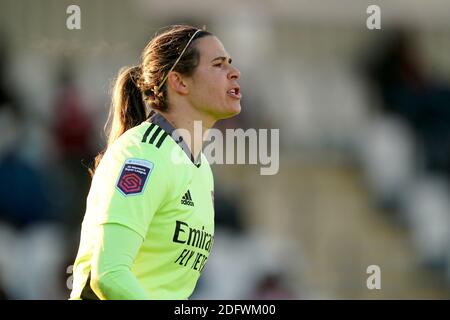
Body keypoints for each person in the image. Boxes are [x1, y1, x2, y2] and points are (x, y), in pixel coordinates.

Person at [69, 25, 241, 300]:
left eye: (230, 63)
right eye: (218, 65)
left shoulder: (201, 169)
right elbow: (109, 275)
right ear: (179, 82)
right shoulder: (140, 155)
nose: (234, 72)